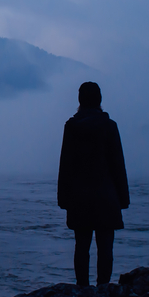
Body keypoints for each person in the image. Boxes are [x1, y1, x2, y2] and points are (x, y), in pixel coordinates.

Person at [57, 81, 129, 286]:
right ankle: (103, 291)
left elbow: (66, 165)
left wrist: (63, 199)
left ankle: (82, 291)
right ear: (100, 100)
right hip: (107, 195)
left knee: (81, 247)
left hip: (79, 197)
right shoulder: (110, 126)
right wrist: (123, 199)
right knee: (106, 247)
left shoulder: (71, 127)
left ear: (80, 100)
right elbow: (118, 165)